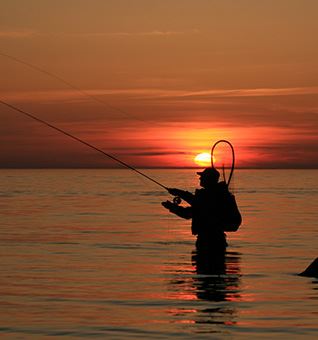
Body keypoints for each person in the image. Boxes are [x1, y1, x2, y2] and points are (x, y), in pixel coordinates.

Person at [162, 167, 236, 253]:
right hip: (218, 239)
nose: (200, 178)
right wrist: (178, 192)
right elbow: (195, 201)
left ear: (208, 179)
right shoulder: (216, 194)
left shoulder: (209, 197)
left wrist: (172, 207)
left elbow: (188, 213)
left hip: (208, 241)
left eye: (203, 176)